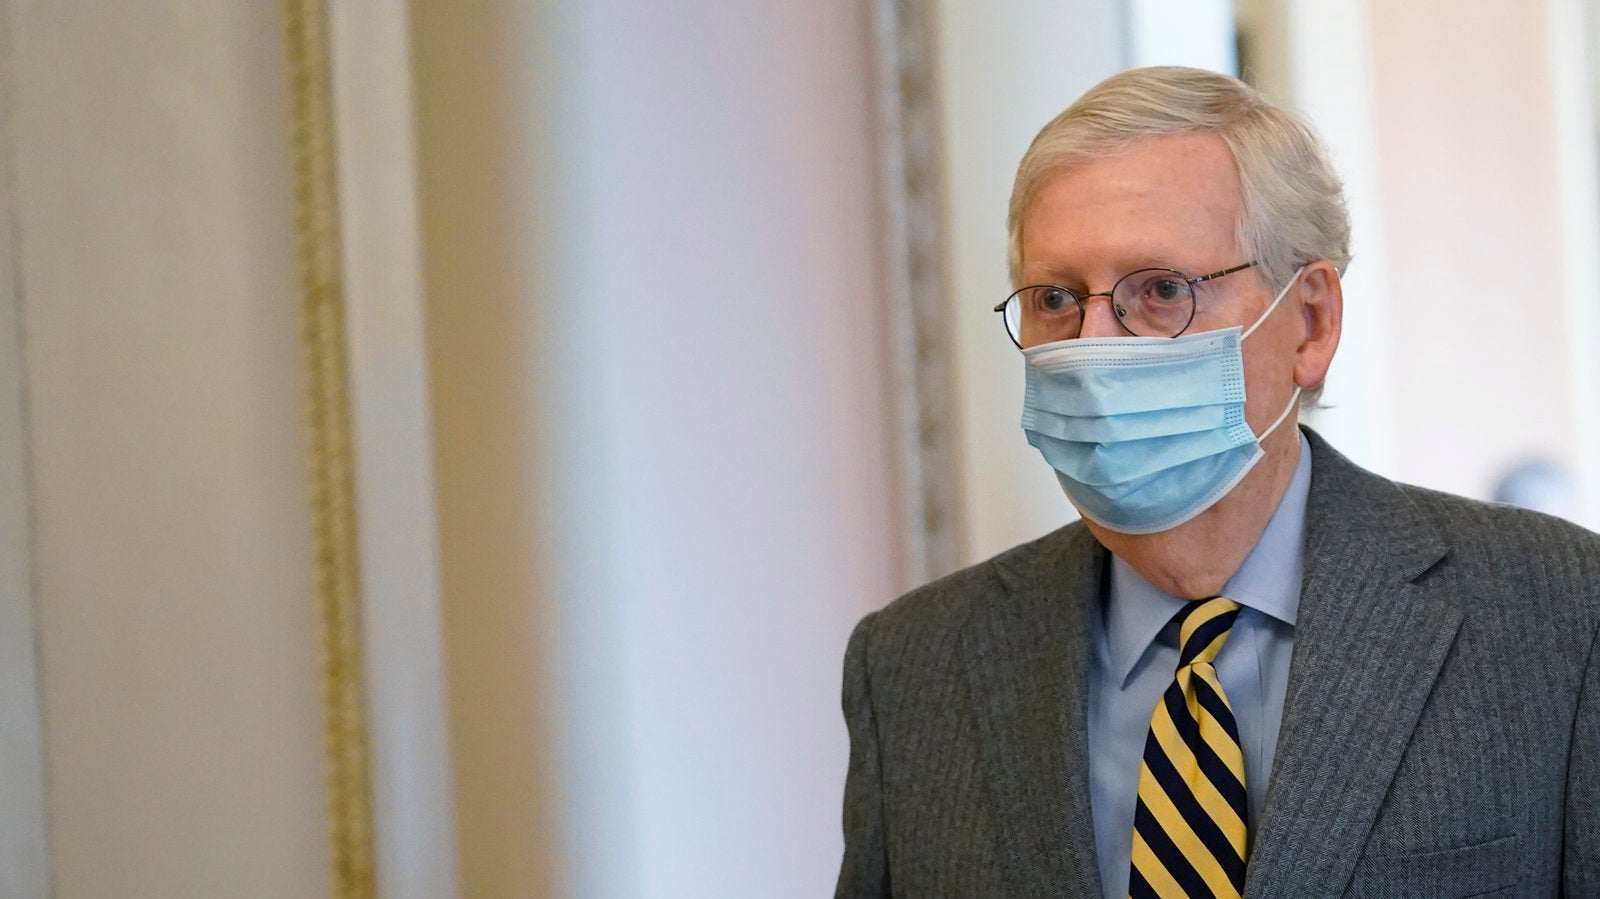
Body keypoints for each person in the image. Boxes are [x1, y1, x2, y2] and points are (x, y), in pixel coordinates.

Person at [835, 66, 1600, 898]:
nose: (1095, 349)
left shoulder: (1560, 615)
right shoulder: (911, 665)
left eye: (1160, 291)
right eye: (1056, 297)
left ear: (1309, 321)